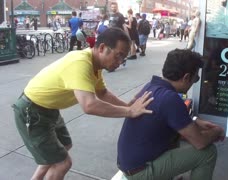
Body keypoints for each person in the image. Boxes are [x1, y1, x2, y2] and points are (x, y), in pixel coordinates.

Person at [12, 28, 154, 180]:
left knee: (64, 146)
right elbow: (89, 105)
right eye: (118, 56)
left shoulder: (95, 65)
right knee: (62, 163)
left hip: (49, 109)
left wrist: (128, 106)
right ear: (102, 48)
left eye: (123, 58)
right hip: (32, 111)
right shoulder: (80, 62)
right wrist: (130, 112)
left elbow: (102, 93)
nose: (120, 62)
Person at [117, 49, 225, 180]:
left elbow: (170, 116)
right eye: (195, 78)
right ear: (186, 77)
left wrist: (195, 120)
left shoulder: (151, 86)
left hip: (129, 164)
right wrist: (217, 131)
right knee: (208, 153)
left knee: (175, 138)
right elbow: (200, 142)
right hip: (139, 173)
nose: (194, 81)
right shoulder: (170, 99)